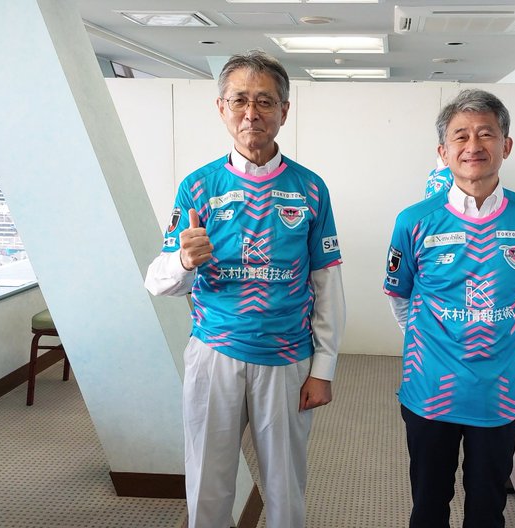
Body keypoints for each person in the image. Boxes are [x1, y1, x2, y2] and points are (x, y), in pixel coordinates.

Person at [145, 50, 346, 528]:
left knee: (285, 484)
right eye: (239, 100)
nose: (251, 113)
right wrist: (183, 260)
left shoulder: (311, 189)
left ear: (284, 111)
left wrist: (323, 369)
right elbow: (157, 282)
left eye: (264, 101)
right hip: (215, 352)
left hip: (287, 358)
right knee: (207, 479)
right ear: (222, 108)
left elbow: (328, 285)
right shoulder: (198, 187)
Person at [383, 89, 515, 528]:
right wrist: (436, 342)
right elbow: (400, 298)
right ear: (443, 152)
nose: (473, 145)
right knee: (428, 506)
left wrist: (485, 327)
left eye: (485, 134)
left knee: (487, 509)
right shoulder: (413, 220)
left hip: (500, 393)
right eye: (460, 136)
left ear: (506, 145)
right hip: (430, 390)